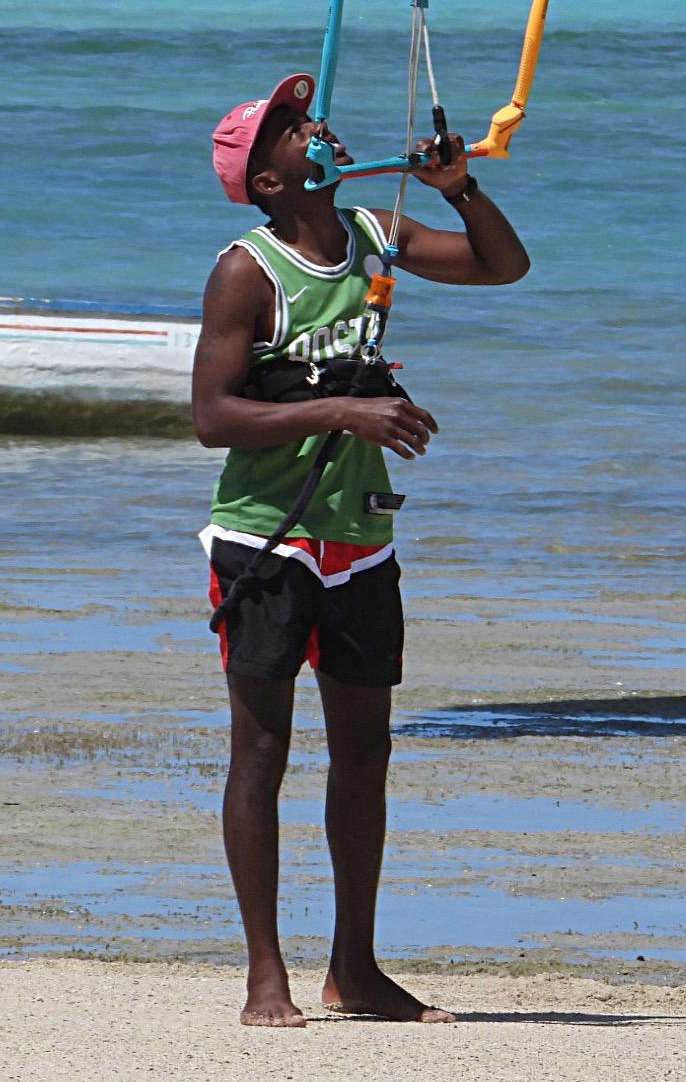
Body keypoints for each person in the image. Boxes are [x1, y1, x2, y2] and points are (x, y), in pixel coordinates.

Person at [193, 71, 530, 1026]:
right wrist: (347, 408)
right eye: (295, 130)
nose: (319, 128)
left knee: (365, 756)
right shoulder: (247, 271)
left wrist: (459, 187)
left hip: (362, 536)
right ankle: (267, 974)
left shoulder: (378, 237)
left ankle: (357, 969)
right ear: (268, 182)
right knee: (262, 753)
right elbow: (212, 417)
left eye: (311, 117)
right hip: (266, 540)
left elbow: (504, 268)